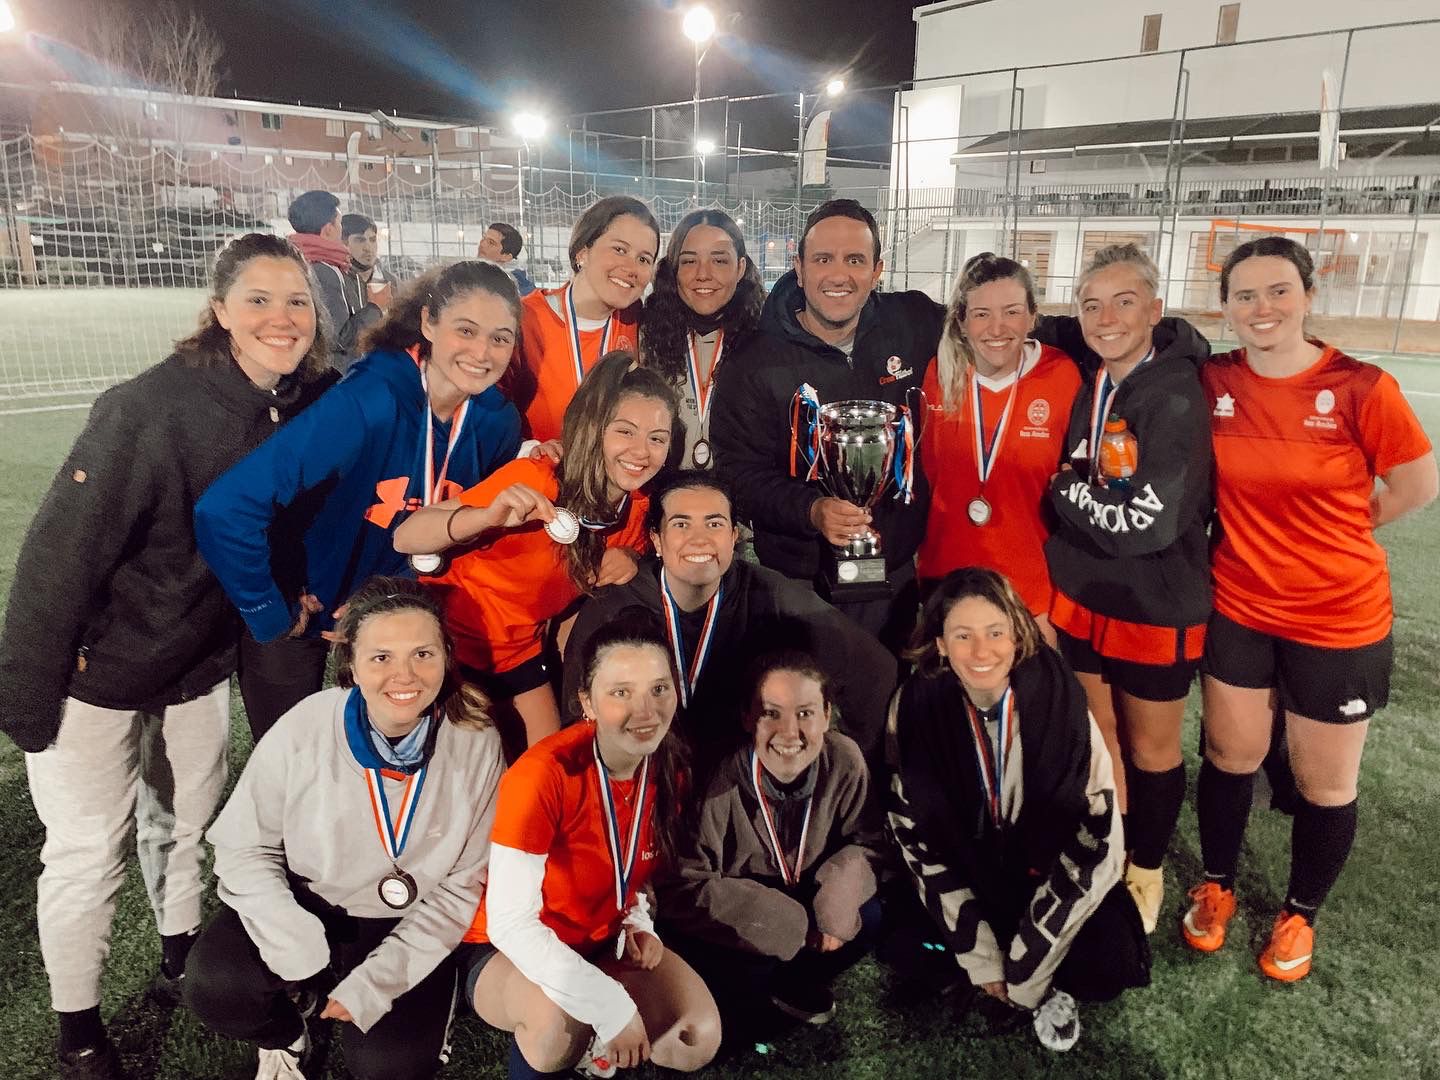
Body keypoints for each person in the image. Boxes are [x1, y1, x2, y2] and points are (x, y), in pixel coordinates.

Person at [0, 233, 335, 1079]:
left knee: (187, 825)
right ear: (218, 310)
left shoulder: (300, 405)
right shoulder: (146, 408)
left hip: (195, 664)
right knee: (86, 853)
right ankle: (79, 1035)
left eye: (296, 300)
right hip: (96, 673)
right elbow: (57, 556)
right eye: (257, 299)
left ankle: (178, 958)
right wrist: (32, 692)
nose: (280, 318)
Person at [1182, 237, 1436, 980]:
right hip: (1240, 607)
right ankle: (1219, 885)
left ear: (1308, 296)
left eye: (1279, 292)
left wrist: (1344, 532)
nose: (1264, 309)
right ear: (1226, 306)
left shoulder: (1361, 387)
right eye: (1247, 296)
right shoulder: (1213, 381)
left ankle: (1298, 914)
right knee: (1230, 757)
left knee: (1326, 784)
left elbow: (1416, 485)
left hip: (1339, 617)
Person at [183, 577, 505, 1079]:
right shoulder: (307, 724)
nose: (405, 675)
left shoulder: (476, 737)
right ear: (351, 664)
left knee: (388, 1067)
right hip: (306, 903)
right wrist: (293, 938)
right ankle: (289, 1035)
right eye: (381, 657)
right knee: (216, 984)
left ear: (448, 655)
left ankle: (393, 1005)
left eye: (423, 653)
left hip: (404, 923)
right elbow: (244, 845)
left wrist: (379, 980)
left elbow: (463, 885)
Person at [196, 260, 522, 742]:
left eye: (500, 338)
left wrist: (385, 606)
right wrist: (270, 607)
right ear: (429, 323)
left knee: (391, 761)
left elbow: (461, 530)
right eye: (466, 330)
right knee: (296, 763)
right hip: (306, 608)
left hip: (397, 621)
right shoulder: (372, 398)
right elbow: (225, 507)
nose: (482, 352)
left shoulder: (498, 422)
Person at [888, 568, 1147, 1053]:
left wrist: (1029, 968)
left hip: (1052, 868)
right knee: (902, 943)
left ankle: (1042, 985)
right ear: (940, 643)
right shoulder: (916, 705)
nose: (981, 652)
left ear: (1017, 634)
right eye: (963, 636)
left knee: (1110, 961)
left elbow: (1100, 834)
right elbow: (912, 830)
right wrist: (983, 955)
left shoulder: (1060, 698)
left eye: (995, 633)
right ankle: (985, 970)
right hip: (973, 870)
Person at [1032, 243, 1213, 936]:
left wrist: (1062, 489)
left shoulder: (1172, 392)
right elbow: (1027, 322)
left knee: (1153, 749)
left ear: (1156, 311)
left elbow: (1145, 522)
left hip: (1153, 600)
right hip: (1085, 591)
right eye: (1091, 305)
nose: (1106, 319)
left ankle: (1146, 867)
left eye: (1125, 302)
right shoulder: (1094, 368)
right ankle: (1106, 849)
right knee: (1101, 739)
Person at [460, 608, 721, 1080]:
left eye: (659, 689)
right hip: (509, 948)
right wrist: (609, 1005)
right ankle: (573, 1047)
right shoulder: (543, 775)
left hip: (601, 937)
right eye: (621, 693)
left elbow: (636, 872)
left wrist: (640, 922)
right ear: (588, 701)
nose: (646, 712)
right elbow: (510, 923)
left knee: (692, 1038)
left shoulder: (668, 766)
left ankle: (597, 1040)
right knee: (559, 1026)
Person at [394, 352, 677, 748]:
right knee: (458, 772)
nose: (641, 451)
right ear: (595, 429)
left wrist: (632, 559)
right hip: (445, 645)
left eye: (657, 438)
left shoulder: (637, 512)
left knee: (553, 765)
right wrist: (487, 517)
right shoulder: (538, 479)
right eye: (625, 432)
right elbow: (406, 537)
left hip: (517, 656)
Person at [709, 198, 943, 652]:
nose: (839, 275)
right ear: (798, 267)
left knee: (881, 705)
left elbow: (991, 326)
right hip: (798, 579)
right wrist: (811, 510)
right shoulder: (754, 360)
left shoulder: (913, 322)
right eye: (823, 259)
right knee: (799, 711)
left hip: (891, 572)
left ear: (878, 270)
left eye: (855, 260)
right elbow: (738, 475)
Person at [562, 469, 896, 776]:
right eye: (681, 524)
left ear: (734, 536)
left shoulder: (768, 595)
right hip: (642, 782)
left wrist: (845, 769)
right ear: (656, 540)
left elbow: (875, 670)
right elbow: (577, 712)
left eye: (714, 523)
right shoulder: (615, 604)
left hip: (736, 789)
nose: (700, 539)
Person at [659, 652, 885, 1036]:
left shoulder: (845, 759)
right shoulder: (717, 782)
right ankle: (749, 997)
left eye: (805, 713)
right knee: (745, 972)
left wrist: (838, 898)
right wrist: (777, 922)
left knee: (869, 917)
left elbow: (869, 841)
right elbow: (682, 886)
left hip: (803, 895)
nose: (789, 732)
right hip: (744, 909)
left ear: (827, 715)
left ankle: (793, 981)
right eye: (771, 713)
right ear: (748, 718)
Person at [917, 252, 1080, 640]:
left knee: (1029, 699)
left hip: (1031, 588)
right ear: (961, 319)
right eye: (981, 314)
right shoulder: (939, 373)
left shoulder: (1062, 375)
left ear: (1032, 316)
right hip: (946, 582)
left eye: (1011, 312)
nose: (997, 328)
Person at [510, 195, 659, 444]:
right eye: (620, 250)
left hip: (619, 475)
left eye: (644, 259)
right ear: (583, 252)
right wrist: (528, 449)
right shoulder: (524, 320)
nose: (631, 267)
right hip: (542, 476)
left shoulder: (639, 323)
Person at [639, 208, 764, 468]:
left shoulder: (764, 340)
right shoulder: (646, 335)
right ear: (673, 269)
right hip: (664, 495)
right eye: (688, 261)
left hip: (741, 497)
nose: (703, 274)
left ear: (740, 268)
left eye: (719, 261)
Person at [286, 189, 383, 371]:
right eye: (339, 224)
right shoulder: (323, 270)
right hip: (334, 375)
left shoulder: (298, 263)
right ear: (329, 229)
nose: (341, 231)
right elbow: (338, 338)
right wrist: (375, 307)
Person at [343, 212, 396, 298]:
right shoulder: (335, 279)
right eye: (360, 240)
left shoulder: (391, 282)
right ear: (344, 243)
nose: (368, 248)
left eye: (372, 240)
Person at [479, 221, 537, 296]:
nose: (482, 244)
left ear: (506, 256)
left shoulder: (518, 289)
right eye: (484, 238)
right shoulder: (469, 277)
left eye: (491, 242)